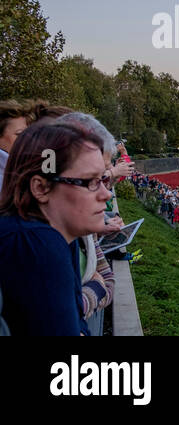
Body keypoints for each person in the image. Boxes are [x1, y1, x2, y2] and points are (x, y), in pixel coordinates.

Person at [0, 122, 109, 335]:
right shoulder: (36, 243)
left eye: (103, 179)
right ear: (41, 188)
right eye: (90, 182)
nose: (106, 194)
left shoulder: (55, 238)